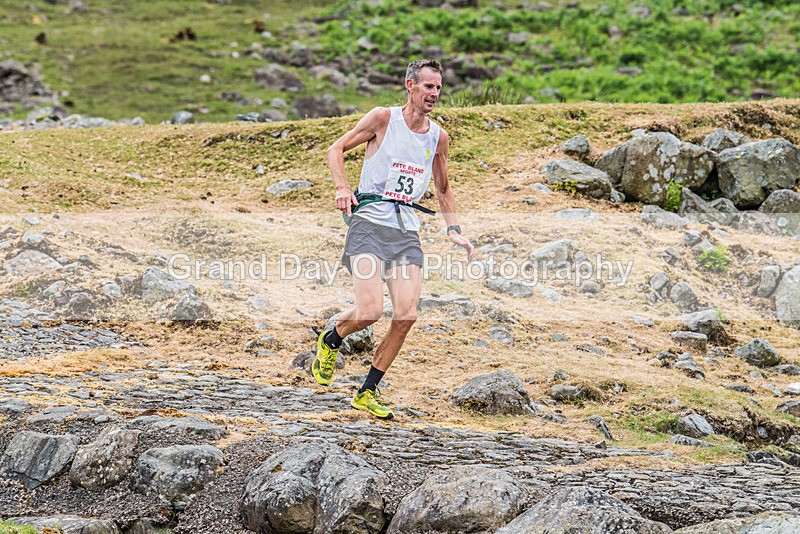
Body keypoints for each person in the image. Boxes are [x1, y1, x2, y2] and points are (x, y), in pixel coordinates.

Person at [313, 59, 474, 419]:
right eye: (428, 86)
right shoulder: (383, 118)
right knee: (370, 311)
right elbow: (334, 149)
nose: (434, 94)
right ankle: (332, 338)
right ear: (410, 85)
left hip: (406, 231)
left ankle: (367, 391)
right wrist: (342, 187)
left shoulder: (438, 137)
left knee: (406, 316)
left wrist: (454, 229)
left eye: (438, 88)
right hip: (369, 222)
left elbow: (443, 186)